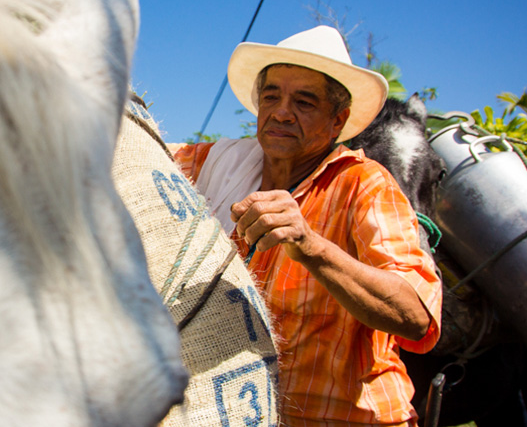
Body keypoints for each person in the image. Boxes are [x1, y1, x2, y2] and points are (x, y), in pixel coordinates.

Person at [172, 26, 442, 426]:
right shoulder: (215, 162)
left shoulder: (364, 184)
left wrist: (310, 245)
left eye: (304, 101)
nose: (282, 111)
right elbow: (137, 159)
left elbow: (415, 313)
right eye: (271, 96)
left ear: (338, 121)